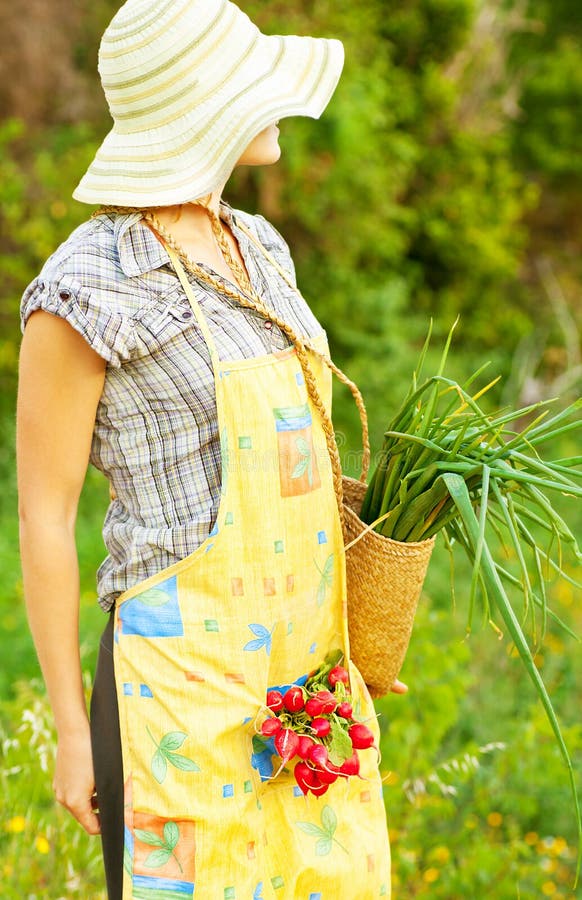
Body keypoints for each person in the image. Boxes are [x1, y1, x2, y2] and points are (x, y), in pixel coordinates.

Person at [17, 1, 405, 897]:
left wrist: (351, 625)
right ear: (206, 104)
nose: (277, 104)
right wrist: (73, 732)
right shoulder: (86, 288)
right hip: (174, 693)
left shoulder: (258, 245)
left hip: (306, 686)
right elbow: (43, 513)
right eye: (252, 85)